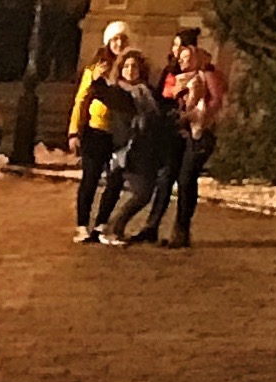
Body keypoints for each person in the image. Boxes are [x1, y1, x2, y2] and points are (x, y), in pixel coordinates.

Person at [100, 46, 187, 246]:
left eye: (134, 66)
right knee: (142, 192)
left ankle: (114, 228)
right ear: (120, 69)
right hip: (128, 149)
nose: (131, 70)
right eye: (127, 66)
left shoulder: (145, 91)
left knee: (144, 192)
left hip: (146, 149)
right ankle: (110, 228)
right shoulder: (118, 91)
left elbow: (154, 116)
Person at [148, 27, 224, 248]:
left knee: (186, 179)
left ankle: (181, 230)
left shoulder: (204, 74)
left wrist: (195, 116)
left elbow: (215, 100)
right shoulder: (177, 74)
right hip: (181, 134)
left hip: (199, 133)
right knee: (173, 178)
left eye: (182, 51)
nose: (178, 56)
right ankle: (165, 229)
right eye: (177, 52)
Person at [67, 24, 140, 239]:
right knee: (90, 178)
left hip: (119, 135)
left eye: (123, 40)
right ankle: (82, 225)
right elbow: (81, 101)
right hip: (96, 130)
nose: (119, 44)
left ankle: (101, 224)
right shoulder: (96, 68)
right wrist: (74, 131)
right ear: (108, 41)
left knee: (115, 180)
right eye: (115, 39)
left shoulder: (129, 67)